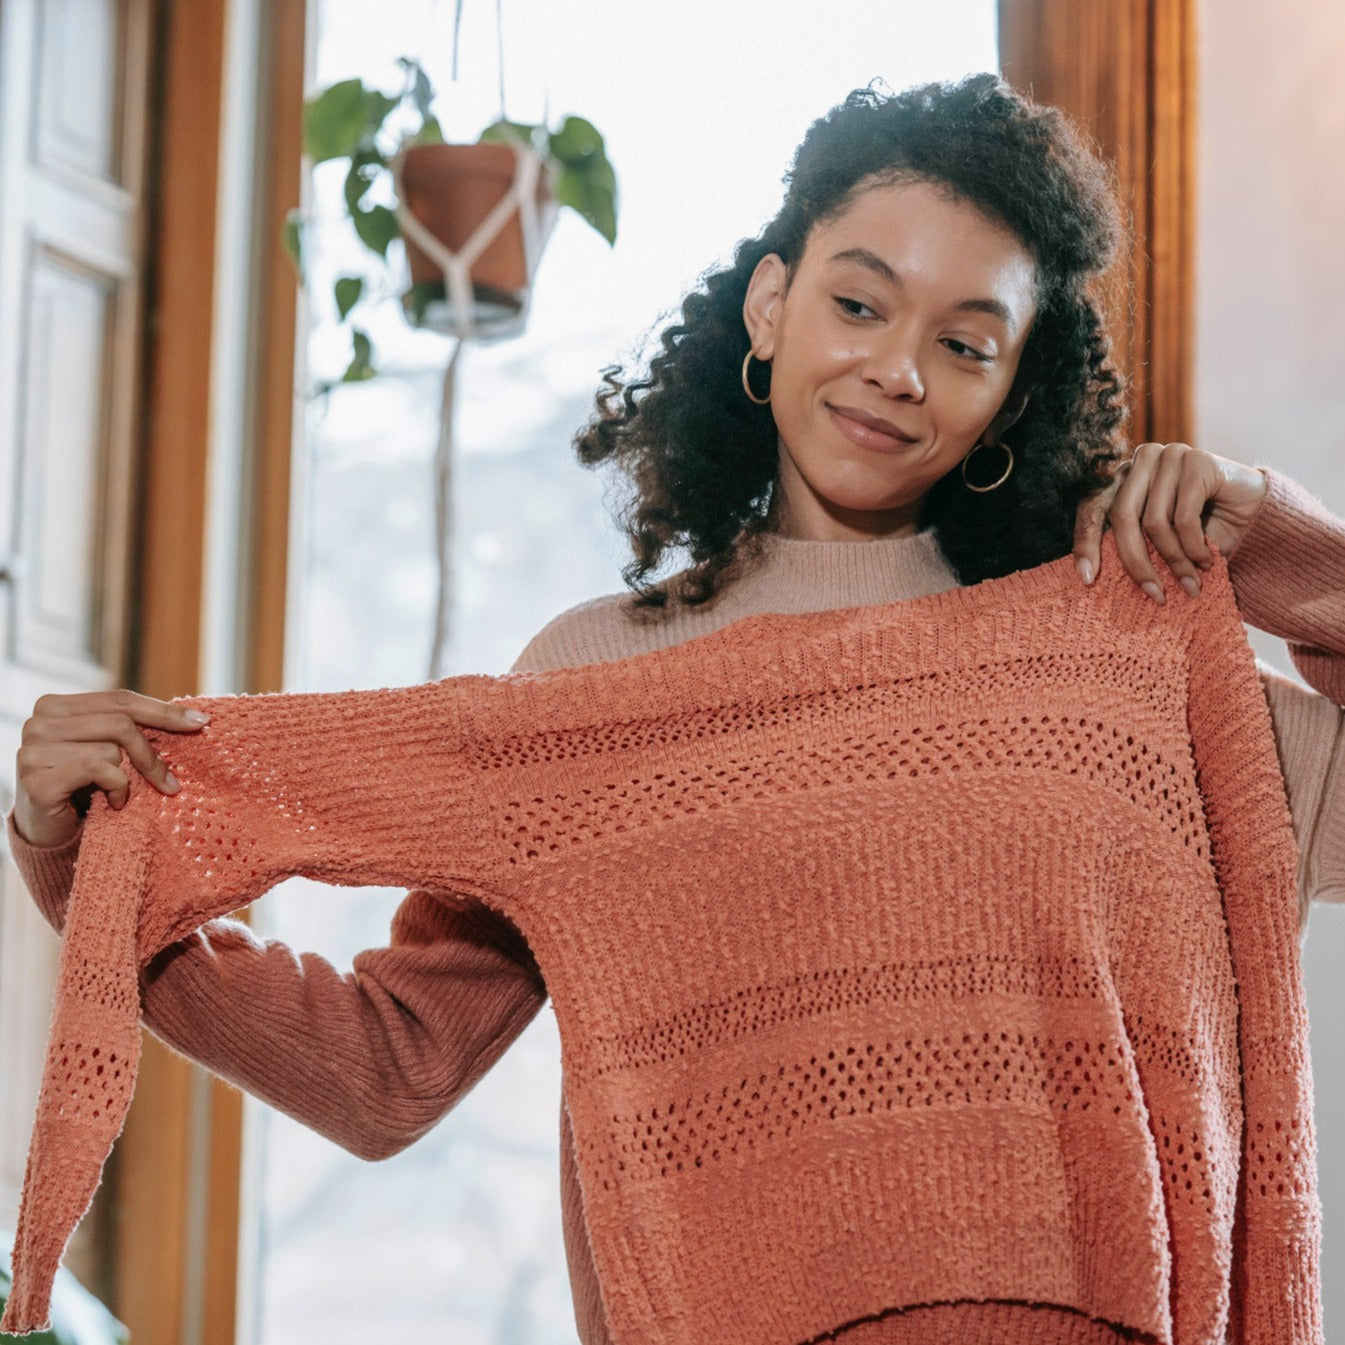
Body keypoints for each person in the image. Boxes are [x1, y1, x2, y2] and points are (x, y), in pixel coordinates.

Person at [8, 73, 1344, 1343]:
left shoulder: (1114, 663)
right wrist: (92, 867)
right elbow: (387, 1071)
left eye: (964, 342)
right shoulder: (599, 689)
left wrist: (1283, 544)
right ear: (771, 304)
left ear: (1013, 386)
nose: (898, 370)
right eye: (859, 304)